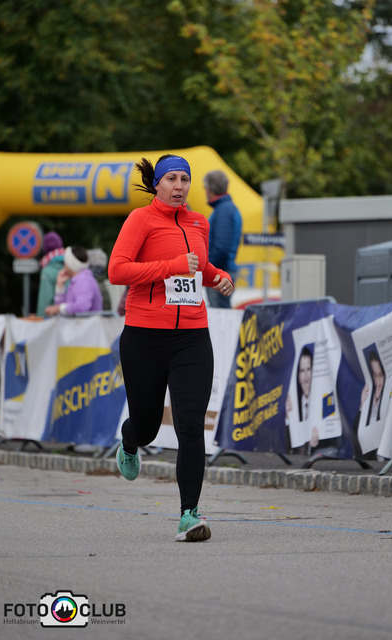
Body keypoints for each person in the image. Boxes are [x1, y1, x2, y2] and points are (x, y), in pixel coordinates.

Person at [108, 154, 234, 542]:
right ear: (157, 184)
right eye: (172, 179)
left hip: (192, 337)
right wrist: (171, 265)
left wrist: (219, 277)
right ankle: (130, 442)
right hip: (144, 338)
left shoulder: (199, 222)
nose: (179, 186)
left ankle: (189, 515)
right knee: (146, 427)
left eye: (185, 179)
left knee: (191, 426)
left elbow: (200, 267)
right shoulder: (140, 220)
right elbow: (117, 271)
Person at [203, 170, 242, 309]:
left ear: (210, 189)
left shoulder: (223, 210)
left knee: (220, 314)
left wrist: (208, 270)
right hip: (224, 271)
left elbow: (222, 248)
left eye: (205, 187)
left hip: (220, 273)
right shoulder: (226, 208)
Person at [45, 246, 103, 316]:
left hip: (88, 323)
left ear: (70, 264)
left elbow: (82, 307)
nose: (64, 264)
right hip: (81, 323)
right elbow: (64, 309)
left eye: (65, 261)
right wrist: (60, 286)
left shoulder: (84, 281)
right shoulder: (78, 280)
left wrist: (58, 308)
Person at [36, 231, 66, 317]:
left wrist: (41, 319)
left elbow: (45, 300)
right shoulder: (70, 267)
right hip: (72, 318)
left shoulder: (47, 271)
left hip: (54, 319)